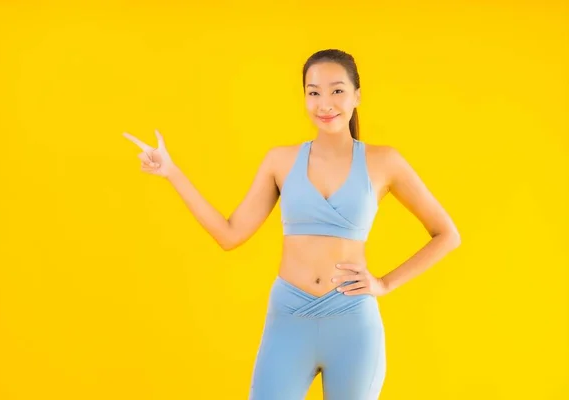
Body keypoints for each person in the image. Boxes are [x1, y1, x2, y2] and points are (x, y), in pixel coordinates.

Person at [123, 49, 461, 400]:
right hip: (288, 316)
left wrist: (385, 283)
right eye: (313, 92)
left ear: (357, 95)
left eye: (337, 90)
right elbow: (229, 234)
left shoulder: (384, 161)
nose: (325, 103)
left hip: (352, 322)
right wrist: (171, 172)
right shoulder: (280, 160)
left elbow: (447, 234)